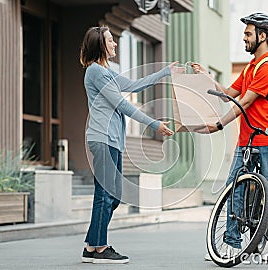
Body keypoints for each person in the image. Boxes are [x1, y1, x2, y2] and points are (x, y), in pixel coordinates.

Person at [192, 13, 268, 261]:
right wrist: (207, 76)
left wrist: (218, 124)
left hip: (267, 140)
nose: (244, 39)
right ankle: (232, 243)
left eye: (248, 34)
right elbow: (230, 93)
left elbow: (245, 102)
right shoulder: (251, 67)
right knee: (234, 188)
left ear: (262, 36)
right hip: (247, 140)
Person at [79, 26, 185, 264]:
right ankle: (100, 248)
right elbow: (122, 105)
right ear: (100, 45)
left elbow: (136, 85)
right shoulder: (95, 71)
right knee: (105, 194)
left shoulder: (106, 72)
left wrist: (165, 72)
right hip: (102, 138)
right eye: (110, 41)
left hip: (112, 140)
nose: (115, 44)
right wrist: (154, 124)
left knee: (113, 195)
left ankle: (91, 245)